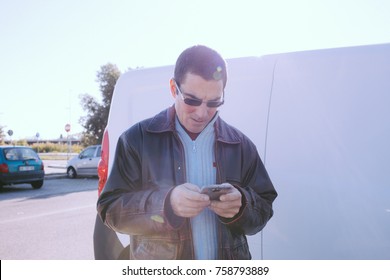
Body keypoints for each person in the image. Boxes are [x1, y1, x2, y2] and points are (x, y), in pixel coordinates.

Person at [97, 45, 277, 260]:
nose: (202, 113)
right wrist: (167, 203)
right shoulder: (136, 140)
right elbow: (110, 210)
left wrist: (243, 206)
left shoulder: (240, 145)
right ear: (174, 88)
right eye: (192, 100)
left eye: (214, 102)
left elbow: (264, 208)